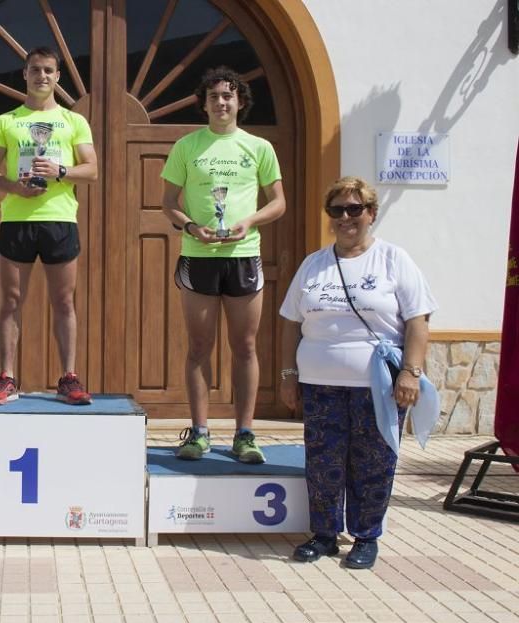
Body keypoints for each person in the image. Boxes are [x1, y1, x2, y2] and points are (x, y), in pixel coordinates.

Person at [279, 176, 436, 569]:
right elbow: (288, 323)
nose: (346, 217)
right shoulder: (314, 264)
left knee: (374, 461)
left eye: (355, 209)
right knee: (323, 461)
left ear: (371, 214)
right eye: (337, 210)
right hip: (320, 384)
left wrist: (411, 374)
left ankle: (366, 536)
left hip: (378, 387)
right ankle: (325, 534)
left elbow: (418, 320)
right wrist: (287, 374)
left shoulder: (393, 260)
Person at [160, 66, 285, 464]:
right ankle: (199, 433)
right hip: (199, 257)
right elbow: (168, 204)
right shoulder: (187, 146)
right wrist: (193, 226)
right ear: (204, 104)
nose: (221, 102)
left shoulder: (259, 147)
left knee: (244, 346)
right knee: (199, 346)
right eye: (214, 96)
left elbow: (278, 202)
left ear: (240, 103)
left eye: (228, 96)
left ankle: (245, 434)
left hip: (243, 255)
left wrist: (249, 221)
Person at [0, 46, 98, 405]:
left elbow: (92, 169)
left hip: (60, 218)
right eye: (36, 70)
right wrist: (14, 187)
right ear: (25, 74)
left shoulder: (74, 121)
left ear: (57, 76)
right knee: (11, 301)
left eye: (49, 70)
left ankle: (69, 377)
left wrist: (61, 171)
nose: (42, 76)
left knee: (64, 301)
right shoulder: (6, 121)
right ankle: (6, 377)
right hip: (17, 218)